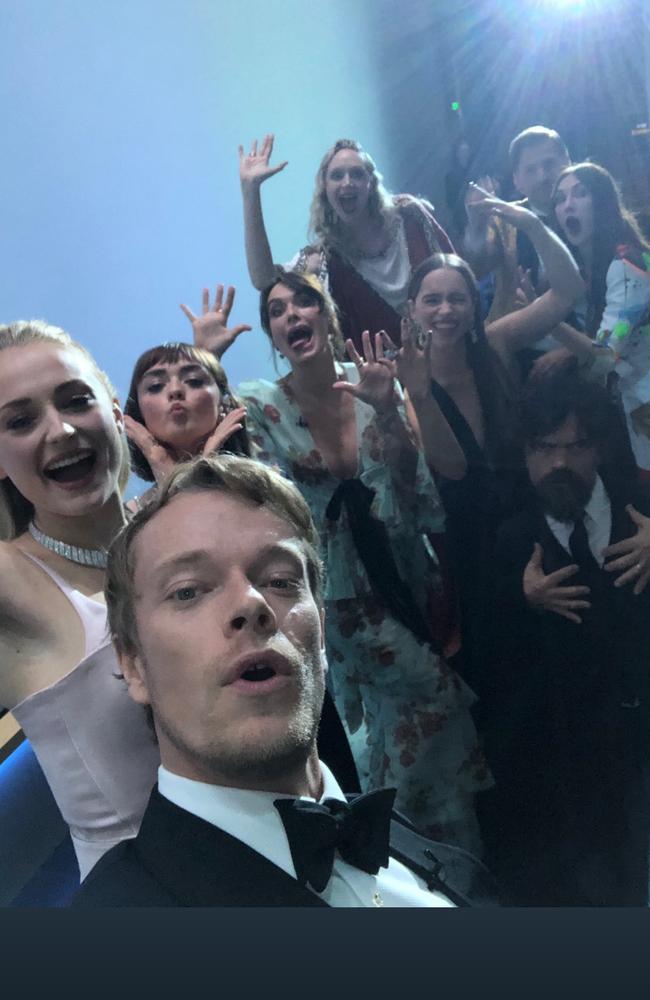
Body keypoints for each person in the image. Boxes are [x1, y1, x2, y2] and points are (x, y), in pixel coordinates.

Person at [72, 454, 496, 907]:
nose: (251, 602)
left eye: (281, 580)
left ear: (322, 629)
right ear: (133, 663)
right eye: (188, 591)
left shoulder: (403, 838)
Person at [228, 268, 490, 854]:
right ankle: (429, 850)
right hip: (338, 600)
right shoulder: (261, 404)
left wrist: (390, 412)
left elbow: (416, 488)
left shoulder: (373, 381)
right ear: (273, 334)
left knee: (393, 729)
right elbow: (265, 500)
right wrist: (209, 358)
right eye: (277, 310)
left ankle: (432, 851)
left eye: (304, 302)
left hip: (405, 577)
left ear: (328, 314)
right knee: (435, 700)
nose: (292, 314)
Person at [393, 194, 586, 691]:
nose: (445, 310)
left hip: (537, 525)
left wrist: (530, 223)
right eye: (431, 299)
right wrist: (416, 392)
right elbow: (452, 469)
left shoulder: (495, 345)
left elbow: (567, 290)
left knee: (569, 664)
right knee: (508, 680)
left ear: (474, 306)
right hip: (473, 556)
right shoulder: (403, 379)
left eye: (457, 298)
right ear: (411, 309)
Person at [484, 366, 650, 905]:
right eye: (543, 447)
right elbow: (489, 651)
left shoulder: (643, 515)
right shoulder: (510, 539)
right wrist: (520, 599)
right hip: (571, 752)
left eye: (576, 446)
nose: (559, 464)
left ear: (599, 449)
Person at [0, 321, 160, 881]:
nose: (62, 430)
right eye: (20, 421)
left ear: (116, 412)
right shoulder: (9, 582)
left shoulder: (175, 532)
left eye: (76, 401)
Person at [239, 134, 453, 353]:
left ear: (371, 183)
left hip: (448, 351)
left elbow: (455, 272)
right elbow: (264, 279)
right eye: (337, 176)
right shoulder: (322, 259)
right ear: (325, 187)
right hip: (387, 378)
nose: (347, 182)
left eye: (357, 174)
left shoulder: (410, 217)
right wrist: (250, 192)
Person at [552, 162, 650, 472]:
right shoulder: (604, 265)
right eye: (560, 198)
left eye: (580, 194)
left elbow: (605, 355)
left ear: (603, 202)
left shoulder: (625, 267)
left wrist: (551, 322)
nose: (568, 205)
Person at [463, 126, 570, 324]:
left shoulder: (589, 208)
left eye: (550, 164)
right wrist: (477, 228)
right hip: (514, 334)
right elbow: (477, 270)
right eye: (531, 170)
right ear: (517, 180)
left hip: (583, 335)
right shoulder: (503, 217)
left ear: (568, 163)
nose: (543, 176)